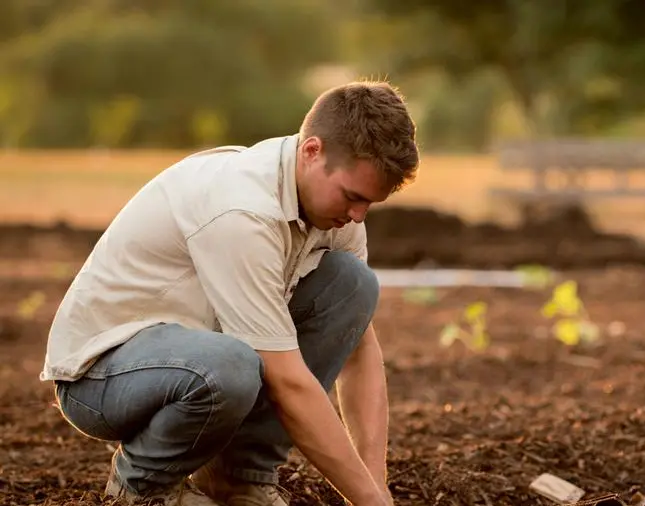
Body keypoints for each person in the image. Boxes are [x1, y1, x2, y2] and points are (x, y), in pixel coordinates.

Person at [39, 80, 419, 506]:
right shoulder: (243, 211)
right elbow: (288, 382)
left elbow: (359, 350)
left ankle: (239, 479)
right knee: (231, 365)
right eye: (352, 196)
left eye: (369, 203)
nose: (357, 215)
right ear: (312, 151)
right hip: (101, 376)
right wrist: (368, 502)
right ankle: (142, 487)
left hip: (195, 354)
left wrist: (376, 486)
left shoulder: (338, 216)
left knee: (352, 285)